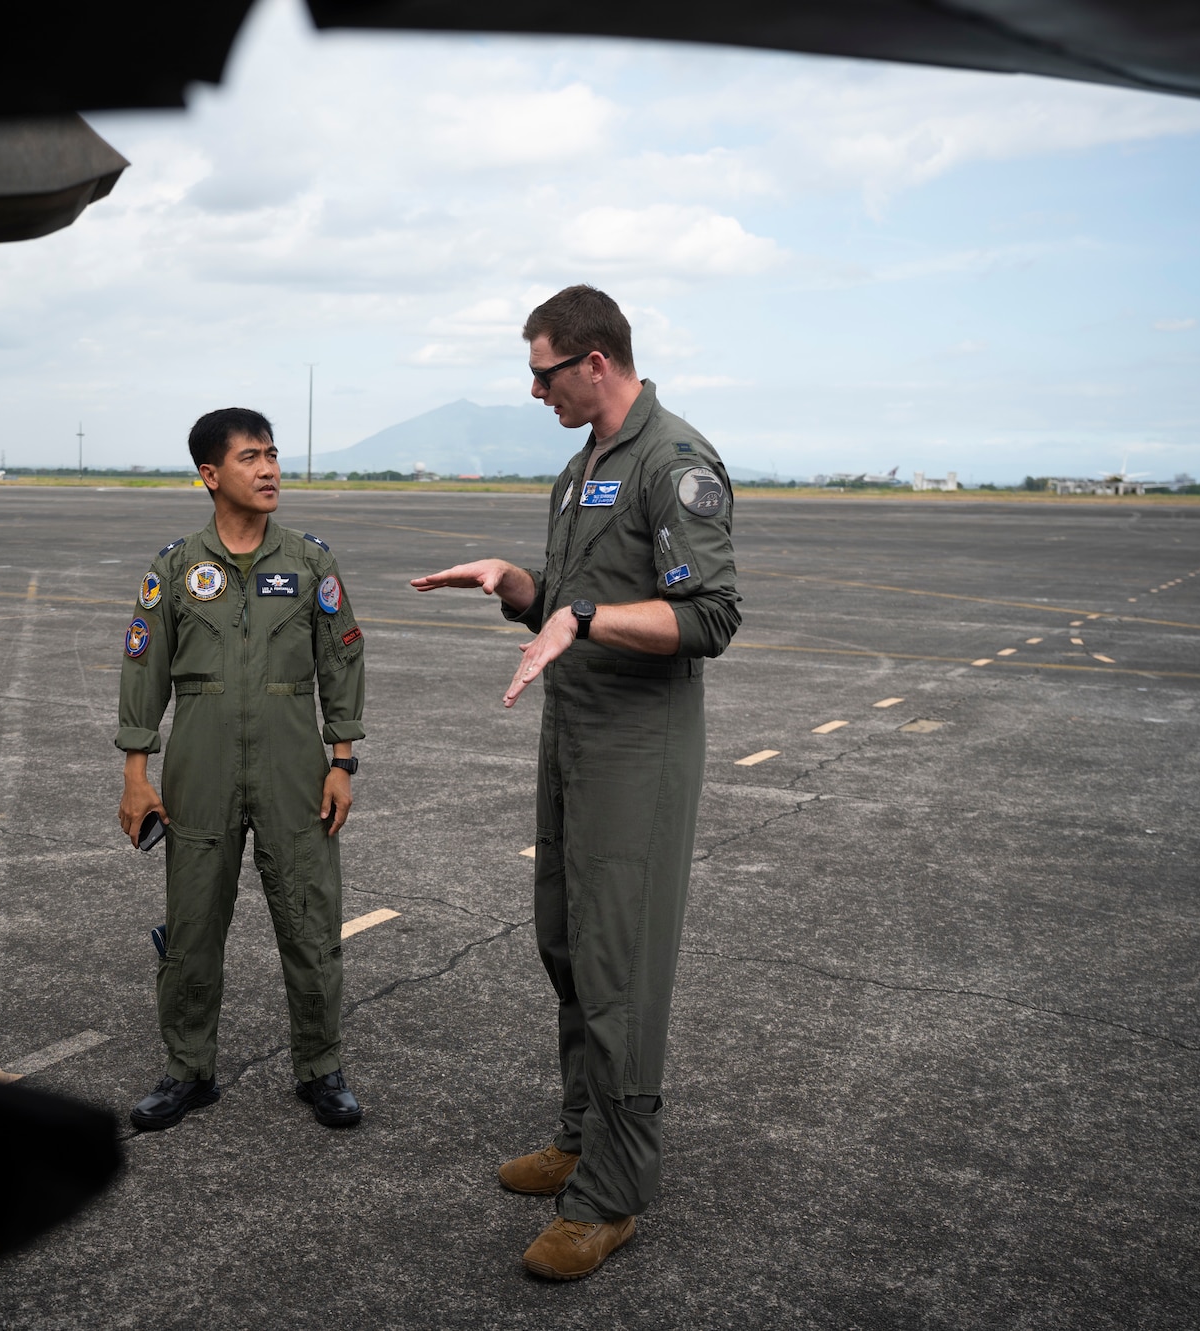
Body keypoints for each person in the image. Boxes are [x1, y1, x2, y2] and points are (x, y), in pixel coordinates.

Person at [410, 286, 740, 1280]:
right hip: (573, 737)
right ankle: (576, 1134)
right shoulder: (580, 467)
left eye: (542, 370)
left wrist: (584, 620)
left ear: (594, 361)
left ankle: (611, 1193)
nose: (532, 389)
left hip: (638, 747)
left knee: (618, 967)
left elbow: (709, 616)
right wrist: (520, 586)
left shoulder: (671, 461)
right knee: (563, 940)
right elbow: (568, 605)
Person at [116, 407, 368, 1132]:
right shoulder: (173, 570)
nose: (269, 470)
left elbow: (343, 661)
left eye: (273, 455)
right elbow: (143, 672)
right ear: (210, 474)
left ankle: (322, 1067)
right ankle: (188, 1070)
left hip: (295, 762)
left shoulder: (310, 561)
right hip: (201, 763)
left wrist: (342, 758)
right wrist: (137, 773)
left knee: (311, 921)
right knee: (192, 924)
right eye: (251, 457)